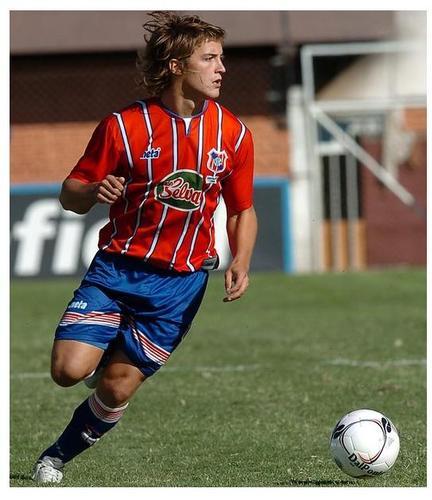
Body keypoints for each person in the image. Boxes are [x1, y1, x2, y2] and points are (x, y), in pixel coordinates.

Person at [32, 11, 257, 484]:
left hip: (180, 285)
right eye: (210, 58)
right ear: (176, 65)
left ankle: (54, 458)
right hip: (116, 271)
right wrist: (93, 192)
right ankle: (107, 340)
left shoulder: (233, 134)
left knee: (114, 388)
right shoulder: (123, 126)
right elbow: (69, 194)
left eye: (222, 58)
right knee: (68, 371)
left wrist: (242, 260)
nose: (222, 69)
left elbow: (241, 210)